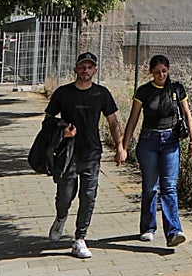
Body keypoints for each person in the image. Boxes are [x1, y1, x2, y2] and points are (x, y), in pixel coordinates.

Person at [44, 51, 126, 259]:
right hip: (67, 153)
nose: (85, 70)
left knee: (88, 196)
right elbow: (48, 121)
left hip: (92, 153)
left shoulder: (102, 94)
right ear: (75, 69)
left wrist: (120, 147)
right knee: (65, 195)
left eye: (89, 67)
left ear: (95, 70)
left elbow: (113, 122)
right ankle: (61, 217)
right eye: (82, 66)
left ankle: (80, 238)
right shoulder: (63, 93)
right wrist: (61, 132)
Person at [122, 54, 192, 247]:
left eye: (164, 71)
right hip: (149, 142)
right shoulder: (144, 92)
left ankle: (174, 231)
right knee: (150, 187)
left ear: (168, 70)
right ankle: (148, 227)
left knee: (169, 187)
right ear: (151, 72)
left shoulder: (177, 89)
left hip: (170, 142)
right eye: (157, 72)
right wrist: (123, 146)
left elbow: (188, 115)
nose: (161, 75)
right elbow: (133, 119)